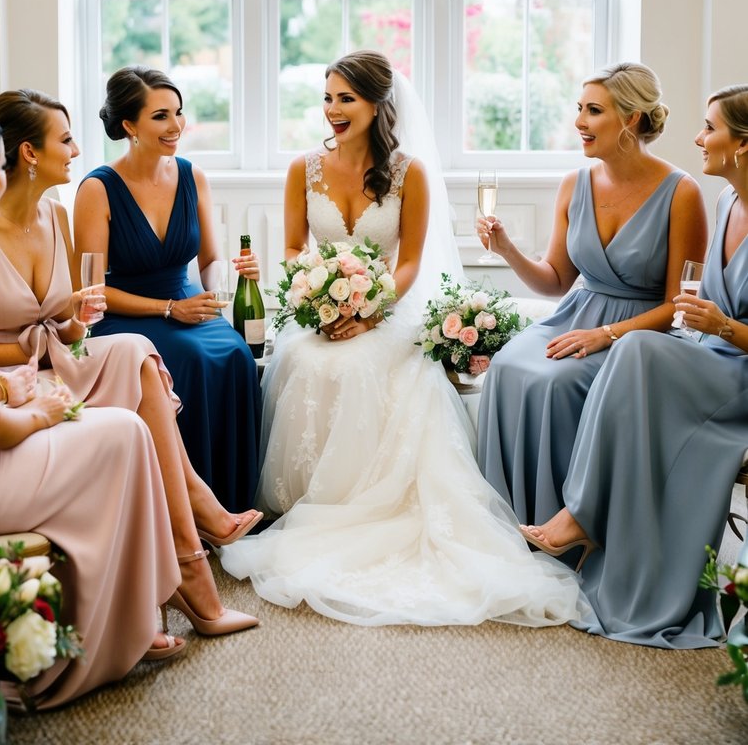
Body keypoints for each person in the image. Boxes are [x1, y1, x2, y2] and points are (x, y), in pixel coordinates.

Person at [221, 50, 584, 628]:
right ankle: (312, 501)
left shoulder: (408, 172)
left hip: (387, 306)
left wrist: (368, 307)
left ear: (377, 105)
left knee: (369, 365)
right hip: (317, 310)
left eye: (347, 99)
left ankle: (373, 503)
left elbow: (411, 261)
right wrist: (319, 302)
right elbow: (293, 250)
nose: (333, 110)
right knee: (308, 363)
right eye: (328, 97)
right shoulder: (303, 169)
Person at [0, 104, 186, 709]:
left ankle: (127, 609)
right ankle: (125, 622)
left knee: (113, 427)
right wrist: (42, 412)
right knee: (119, 433)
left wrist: (20, 389)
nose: (3, 175)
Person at [0, 88, 261, 618]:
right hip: (11, 371)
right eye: (65, 139)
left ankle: (196, 527)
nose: (78, 149)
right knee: (151, 348)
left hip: (58, 354)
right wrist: (50, 337)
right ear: (30, 153)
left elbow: (69, 315)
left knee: (138, 352)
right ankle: (194, 551)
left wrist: (73, 320)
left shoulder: (55, 217)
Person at [521, 84, 748, 647]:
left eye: (710, 128)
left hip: (737, 372)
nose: (698, 137)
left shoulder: (691, 193)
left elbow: (710, 318)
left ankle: (581, 515)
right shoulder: (727, 203)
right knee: (631, 352)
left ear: (742, 144)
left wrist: (721, 326)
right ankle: (583, 518)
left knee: (636, 349)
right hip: (705, 356)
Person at [476, 62, 707, 532]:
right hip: (577, 314)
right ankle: (505, 524)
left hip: (642, 336)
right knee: (506, 366)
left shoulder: (683, 193)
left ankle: (567, 524)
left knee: (558, 383)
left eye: (594, 111)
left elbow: (679, 307)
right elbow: (556, 280)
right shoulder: (573, 184)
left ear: (632, 119)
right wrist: (506, 249)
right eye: (579, 109)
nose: (579, 121)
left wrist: (606, 335)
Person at [73, 66, 262, 512]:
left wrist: (214, 295)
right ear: (128, 126)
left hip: (186, 306)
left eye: (179, 113)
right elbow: (91, 288)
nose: (176, 126)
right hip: (125, 315)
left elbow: (211, 260)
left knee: (235, 353)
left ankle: (231, 500)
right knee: (193, 359)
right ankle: (184, 508)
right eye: (161, 116)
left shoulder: (192, 176)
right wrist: (169, 309)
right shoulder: (97, 189)